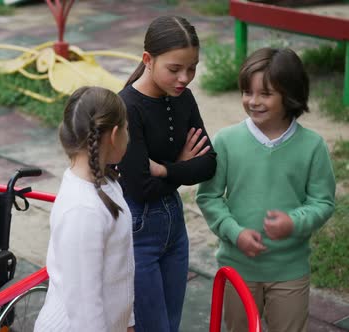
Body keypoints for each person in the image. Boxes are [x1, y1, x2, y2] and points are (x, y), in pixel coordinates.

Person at [196, 47, 336, 332]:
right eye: (248, 92)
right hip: (238, 268)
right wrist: (236, 233)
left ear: (291, 95)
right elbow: (209, 197)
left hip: (290, 271)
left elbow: (323, 202)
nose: (253, 101)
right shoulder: (226, 141)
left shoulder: (312, 146)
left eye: (265, 94)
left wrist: (293, 222)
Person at [117, 15, 217, 332]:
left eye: (192, 68)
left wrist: (166, 169)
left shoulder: (182, 98)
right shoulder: (128, 107)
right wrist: (184, 166)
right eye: (175, 69)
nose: (185, 77)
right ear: (148, 59)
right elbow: (140, 187)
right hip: (139, 231)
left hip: (175, 226)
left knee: (170, 325)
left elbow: (210, 163)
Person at [34, 86, 135, 332]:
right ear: (114, 134)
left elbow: (118, 272)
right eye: (127, 129)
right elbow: (84, 307)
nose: (128, 136)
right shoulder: (83, 211)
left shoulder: (107, 183)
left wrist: (127, 323)